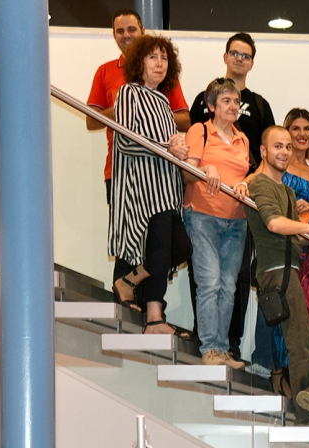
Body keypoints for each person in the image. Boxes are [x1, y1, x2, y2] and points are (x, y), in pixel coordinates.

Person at [244, 126, 309, 427]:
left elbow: (290, 234)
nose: (285, 152)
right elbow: (274, 224)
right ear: (263, 151)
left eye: (288, 147)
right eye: (278, 146)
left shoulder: (287, 191)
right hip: (276, 273)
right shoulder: (260, 183)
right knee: (300, 342)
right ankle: (305, 413)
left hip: (292, 270)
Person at [107, 35, 193, 337]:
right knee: (159, 250)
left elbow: (166, 144)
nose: (160, 63)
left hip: (167, 189)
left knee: (181, 248)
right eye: (153, 57)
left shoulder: (164, 102)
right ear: (139, 62)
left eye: (164, 58)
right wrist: (168, 147)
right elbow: (126, 141)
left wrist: (178, 147)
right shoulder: (128, 93)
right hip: (142, 188)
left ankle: (129, 281)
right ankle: (155, 318)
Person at [86, 8, 190, 206]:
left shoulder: (164, 73)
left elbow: (185, 120)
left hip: (163, 170)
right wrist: (126, 106)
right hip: (120, 170)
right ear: (113, 35)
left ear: (142, 31)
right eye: (120, 31)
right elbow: (91, 121)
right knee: (128, 225)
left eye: (131, 29)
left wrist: (152, 110)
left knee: (165, 225)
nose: (126, 35)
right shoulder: (104, 71)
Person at [181, 77, 251, 369]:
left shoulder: (243, 139)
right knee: (209, 283)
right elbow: (186, 173)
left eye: (236, 101)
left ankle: (222, 350)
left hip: (236, 222)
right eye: (226, 101)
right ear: (211, 105)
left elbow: (244, 175)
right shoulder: (199, 131)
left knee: (228, 287)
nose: (233, 106)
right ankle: (209, 348)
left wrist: (247, 183)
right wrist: (204, 167)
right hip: (203, 215)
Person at [188, 33, 274, 170]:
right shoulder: (204, 98)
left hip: (246, 179)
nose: (239, 59)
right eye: (234, 54)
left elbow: (270, 149)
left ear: (251, 64)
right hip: (206, 176)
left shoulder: (260, 105)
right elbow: (190, 141)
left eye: (245, 56)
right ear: (225, 57)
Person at [281, 108, 309, 213]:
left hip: (306, 223)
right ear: (286, 133)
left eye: (307, 129)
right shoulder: (276, 165)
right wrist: (243, 185)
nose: (302, 133)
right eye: (296, 129)